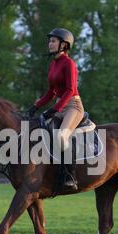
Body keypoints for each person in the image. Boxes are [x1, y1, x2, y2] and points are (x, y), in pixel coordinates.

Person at [28, 28, 84, 191]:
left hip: (73, 106)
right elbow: (51, 92)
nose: (49, 44)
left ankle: (70, 177)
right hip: (60, 106)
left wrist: (54, 110)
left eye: (53, 41)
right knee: (40, 132)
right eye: (50, 41)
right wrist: (36, 106)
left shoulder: (69, 64)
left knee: (60, 137)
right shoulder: (53, 64)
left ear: (64, 45)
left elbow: (70, 90)